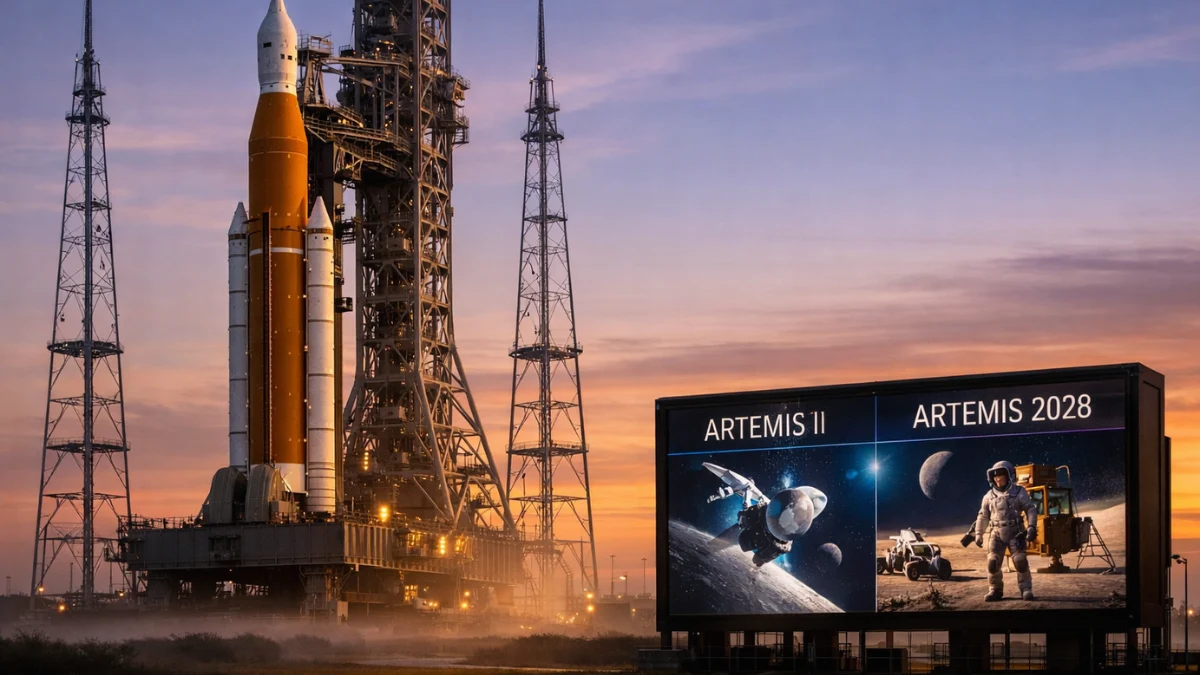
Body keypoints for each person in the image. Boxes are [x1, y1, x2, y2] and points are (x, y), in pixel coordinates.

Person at [974, 461, 1038, 601]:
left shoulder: (1019, 492)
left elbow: (1030, 509)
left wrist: (1032, 526)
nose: (998, 479)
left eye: (1001, 475)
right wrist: (978, 534)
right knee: (992, 563)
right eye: (995, 476)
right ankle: (995, 589)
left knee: (1020, 562)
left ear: (1009, 475)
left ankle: (1026, 588)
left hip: (1016, 532)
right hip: (996, 533)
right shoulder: (989, 496)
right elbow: (983, 515)